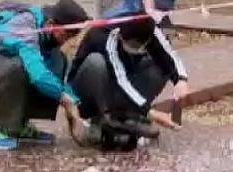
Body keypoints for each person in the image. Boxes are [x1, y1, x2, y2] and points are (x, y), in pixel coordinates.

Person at [0, 0, 89, 150]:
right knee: (20, 67)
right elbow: (38, 75)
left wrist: (76, 104)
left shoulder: (44, 34)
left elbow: (54, 77)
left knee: (57, 63)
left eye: (76, 33)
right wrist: (64, 99)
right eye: (69, 32)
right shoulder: (24, 28)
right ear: (51, 24)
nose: (72, 38)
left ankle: (17, 125)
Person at [68, 11, 183, 146]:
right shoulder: (103, 35)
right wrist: (149, 112)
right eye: (130, 43)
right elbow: (120, 79)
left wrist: (180, 80)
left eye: (137, 44)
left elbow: (170, 58)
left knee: (160, 66)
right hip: (85, 93)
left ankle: (129, 116)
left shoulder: (152, 33)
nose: (133, 47)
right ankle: (99, 119)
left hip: (118, 88)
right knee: (96, 62)